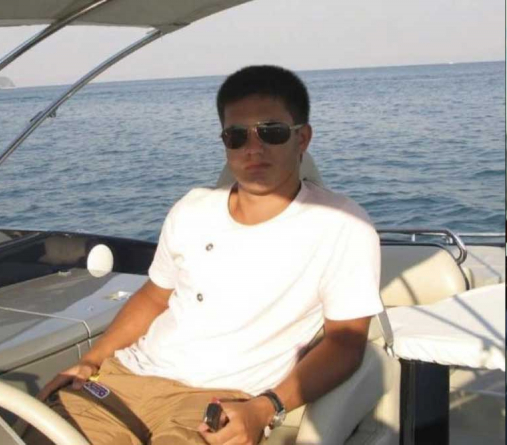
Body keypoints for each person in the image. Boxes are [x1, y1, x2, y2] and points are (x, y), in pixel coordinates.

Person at [27, 65, 383, 445]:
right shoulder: (192, 209)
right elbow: (154, 297)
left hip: (219, 400)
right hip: (127, 379)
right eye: (237, 136)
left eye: (272, 132)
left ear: (302, 138)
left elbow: (345, 343)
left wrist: (267, 408)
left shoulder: (343, 226)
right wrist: (92, 359)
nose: (253, 148)